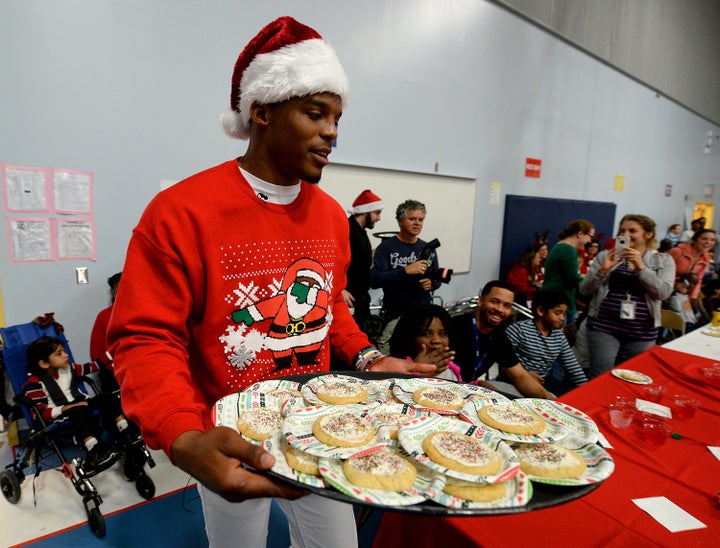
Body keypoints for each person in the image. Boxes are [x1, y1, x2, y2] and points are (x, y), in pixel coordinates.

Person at [106, 17, 434, 548]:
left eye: (337, 117)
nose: (332, 131)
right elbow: (145, 337)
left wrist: (370, 359)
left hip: (319, 429)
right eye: (315, 113)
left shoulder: (331, 218)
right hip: (230, 434)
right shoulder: (180, 212)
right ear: (261, 110)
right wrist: (182, 433)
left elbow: (330, 310)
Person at [579, 214, 675, 378]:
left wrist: (641, 268)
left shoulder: (663, 260)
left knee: (631, 379)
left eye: (632, 230)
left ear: (648, 234)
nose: (626, 234)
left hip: (642, 333)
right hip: (604, 328)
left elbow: (663, 293)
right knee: (600, 378)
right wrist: (602, 271)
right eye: (622, 230)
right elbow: (584, 290)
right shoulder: (604, 256)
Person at [24, 336, 134, 473]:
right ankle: (94, 449)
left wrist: (112, 352)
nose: (66, 355)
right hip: (62, 413)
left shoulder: (70, 368)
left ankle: (125, 430)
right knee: (78, 410)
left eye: (64, 351)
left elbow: (93, 366)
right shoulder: (34, 384)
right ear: (44, 364)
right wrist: (67, 408)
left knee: (107, 397)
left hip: (81, 404)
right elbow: (40, 414)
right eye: (59, 353)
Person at [453, 281, 554, 399]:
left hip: (469, 388)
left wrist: (552, 402)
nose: (500, 309)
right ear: (480, 301)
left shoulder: (499, 337)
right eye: (494, 302)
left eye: (507, 306)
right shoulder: (454, 326)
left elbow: (520, 376)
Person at [370, 199, 441, 354]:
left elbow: (437, 277)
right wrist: (405, 271)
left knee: (419, 352)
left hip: (422, 312)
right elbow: (375, 280)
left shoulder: (427, 248)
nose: (417, 223)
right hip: (396, 312)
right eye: (412, 219)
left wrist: (432, 283)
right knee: (388, 350)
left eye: (420, 220)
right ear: (400, 221)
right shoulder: (386, 247)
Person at [503, 289, 587, 396]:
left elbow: (573, 367)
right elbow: (503, 363)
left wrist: (587, 390)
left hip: (544, 381)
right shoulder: (518, 330)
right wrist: (525, 374)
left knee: (569, 399)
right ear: (541, 311)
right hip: (515, 379)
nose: (562, 318)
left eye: (564, 314)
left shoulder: (559, 336)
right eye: (557, 313)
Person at [342, 189, 383, 333]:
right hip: (349, 300)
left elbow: (356, 258)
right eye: (377, 213)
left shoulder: (360, 232)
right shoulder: (347, 230)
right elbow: (333, 260)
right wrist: (339, 290)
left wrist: (377, 252)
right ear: (366, 212)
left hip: (360, 299)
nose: (379, 218)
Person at [542, 219, 595, 325]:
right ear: (580, 234)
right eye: (590, 236)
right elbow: (573, 280)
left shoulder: (561, 247)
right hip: (558, 303)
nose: (590, 241)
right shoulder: (568, 249)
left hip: (558, 300)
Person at [389, 303, 461, 381]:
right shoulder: (396, 369)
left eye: (442, 334)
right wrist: (418, 372)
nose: (436, 340)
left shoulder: (449, 366)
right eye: (426, 334)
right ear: (410, 336)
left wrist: (475, 385)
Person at [90, 271, 122, 393]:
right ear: (113, 293)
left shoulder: (149, 310)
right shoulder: (104, 316)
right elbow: (96, 354)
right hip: (116, 370)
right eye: (118, 289)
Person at [667, 229, 717, 299]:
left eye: (712, 240)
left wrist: (693, 297)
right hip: (663, 289)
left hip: (680, 293)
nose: (708, 242)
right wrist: (675, 284)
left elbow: (699, 280)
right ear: (695, 240)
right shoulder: (677, 252)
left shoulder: (706, 258)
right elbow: (659, 272)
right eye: (704, 239)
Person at [505, 241, 547, 307]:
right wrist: (536, 289)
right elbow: (521, 288)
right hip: (517, 299)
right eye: (538, 258)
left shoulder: (533, 270)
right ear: (531, 259)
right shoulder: (521, 270)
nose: (540, 260)